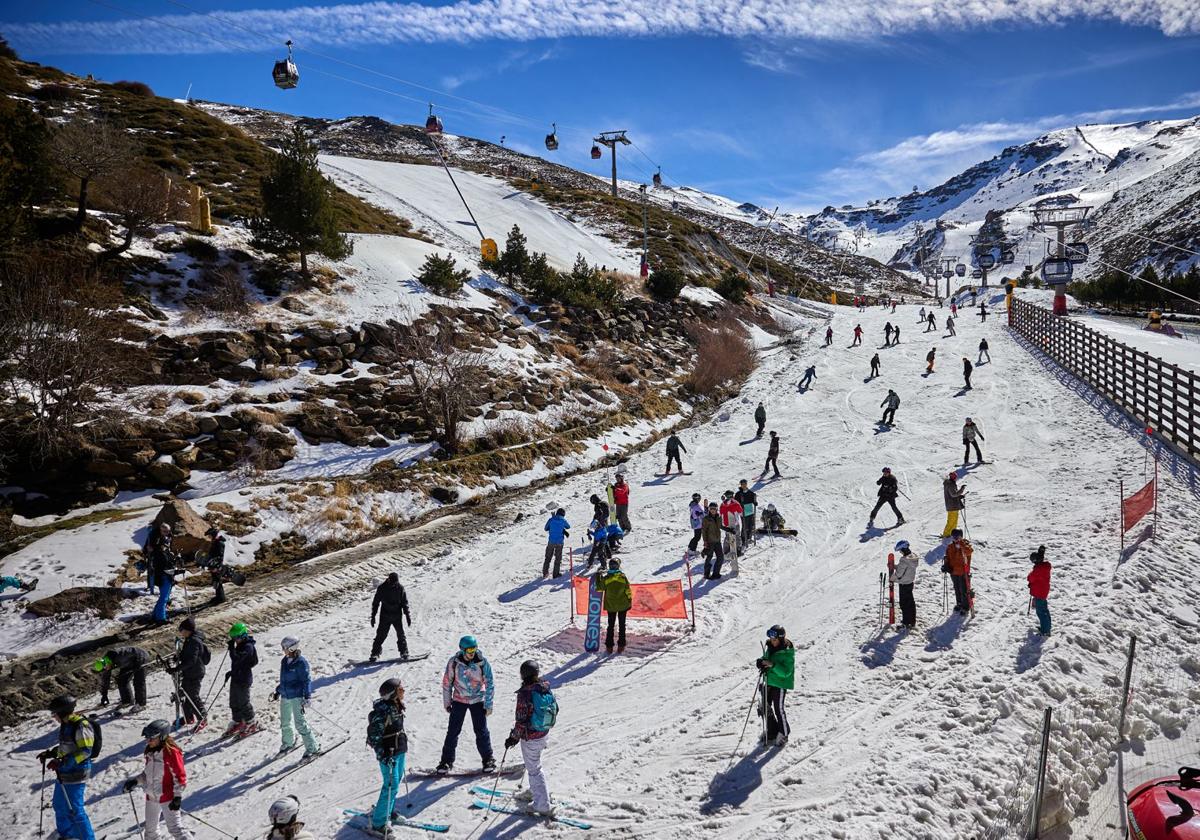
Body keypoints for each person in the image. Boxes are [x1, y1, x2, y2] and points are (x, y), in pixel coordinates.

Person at [123, 720, 193, 840]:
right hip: (151, 796)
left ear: (162, 736)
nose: (148, 741)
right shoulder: (151, 752)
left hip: (167, 797)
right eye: (147, 738)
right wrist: (135, 781)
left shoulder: (171, 752)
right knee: (150, 832)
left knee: (175, 829)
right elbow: (147, 774)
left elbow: (180, 777)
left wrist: (177, 797)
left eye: (152, 738)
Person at [39, 695, 96, 840]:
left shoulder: (81, 725)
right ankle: (68, 835)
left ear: (62, 712)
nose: (54, 717)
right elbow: (67, 747)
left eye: (54, 713)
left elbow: (85, 751)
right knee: (59, 806)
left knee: (75, 810)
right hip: (64, 772)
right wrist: (51, 753)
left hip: (77, 772)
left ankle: (87, 838)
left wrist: (64, 762)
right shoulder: (66, 724)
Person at [503, 661, 557, 817]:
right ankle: (537, 791)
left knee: (534, 769)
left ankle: (542, 805)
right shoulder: (544, 687)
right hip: (544, 732)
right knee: (534, 764)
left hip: (531, 737)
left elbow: (521, 720)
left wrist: (512, 738)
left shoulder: (525, 693)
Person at [437, 635, 495, 774]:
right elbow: (447, 683)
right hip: (459, 700)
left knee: (481, 731)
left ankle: (488, 759)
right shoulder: (454, 663)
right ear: (462, 650)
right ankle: (446, 762)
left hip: (477, 700)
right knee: (453, 731)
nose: (472, 652)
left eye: (474, 648)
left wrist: (488, 704)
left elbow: (490, 684)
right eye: (469, 650)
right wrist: (447, 702)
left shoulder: (482, 663)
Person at [367, 678, 408, 837]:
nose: (403, 690)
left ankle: (388, 812)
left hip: (399, 749)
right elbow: (374, 736)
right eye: (400, 689)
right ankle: (378, 823)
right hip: (388, 753)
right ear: (393, 694)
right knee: (390, 785)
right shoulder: (383, 712)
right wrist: (383, 755)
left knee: (396, 782)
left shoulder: (396, 706)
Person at [274, 637, 319, 759]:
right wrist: (278, 691)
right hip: (285, 695)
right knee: (285, 722)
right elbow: (284, 679)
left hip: (297, 696)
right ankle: (288, 743)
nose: (283, 650)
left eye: (284, 648)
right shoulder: (284, 661)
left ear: (291, 648)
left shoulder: (301, 662)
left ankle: (313, 748)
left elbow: (306, 680)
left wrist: (308, 696)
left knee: (300, 724)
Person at [755, 626, 794, 747]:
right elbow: (766, 658)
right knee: (764, 706)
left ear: (781, 639)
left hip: (780, 684)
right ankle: (772, 731)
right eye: (771, 638)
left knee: (779, 709)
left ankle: (784, 733)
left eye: (775, 639)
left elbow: (786, 672)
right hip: (769, 681)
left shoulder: (787, 652)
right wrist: (761, 662)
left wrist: (772, 665)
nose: (772, 641)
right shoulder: (770, 647)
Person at [226, 622, 260, 738]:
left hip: (244, 679)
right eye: (233, 638)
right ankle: (238, 721)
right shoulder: (240, 645)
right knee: (234, 701)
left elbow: (237, 659)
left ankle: (251, 722)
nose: (235, 640)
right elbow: (237, 664)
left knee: (243, 702)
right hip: (236, 677)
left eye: (236, 638)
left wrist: (231, 648)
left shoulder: (248, 647)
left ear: (243, 635)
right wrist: (231, 672)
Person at [370, 573, 412, 662]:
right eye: (393, 582)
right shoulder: (382, 588)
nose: (394, 584)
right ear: (388, 579)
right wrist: (373, 616)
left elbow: (404, 602)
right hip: (385, 615)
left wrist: (407, 615)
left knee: (401, 634)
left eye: (395, 582)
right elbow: (376, 602)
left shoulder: (400, 588)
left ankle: (404, 652)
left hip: (397, 615)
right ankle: (375, 653)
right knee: (381, 635)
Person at [174, 618, 207, 730]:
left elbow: (192, 660)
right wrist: (179, 657)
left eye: (181, 630)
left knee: (193, 696)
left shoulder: (194, 641)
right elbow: (187, 655)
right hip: (189, 672)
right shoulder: (189, 639)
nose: (181, 632)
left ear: (187, 630)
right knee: (184, 693)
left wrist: (178, 668)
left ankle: (202, 718)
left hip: (195, 672)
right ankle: (189, 717)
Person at [597, 558, 632, 653]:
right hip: (623, 605)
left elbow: (599, 589)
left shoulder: (606, 578)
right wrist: (629, 601)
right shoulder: (622, 577)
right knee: (622, 625)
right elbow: (628, 590)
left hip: (611, 606)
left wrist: (598, 576)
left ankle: (609, 646)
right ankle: (621, 645)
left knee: (611, 625)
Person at [944, 529, 973, 614]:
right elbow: (948, 557)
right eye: (954, 537)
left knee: (964, 590)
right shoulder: (950, 546)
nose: (955, 539)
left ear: (961, 536)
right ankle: (959, 603)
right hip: (954, 572)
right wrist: (946, 565)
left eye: (957, 537)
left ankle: (965, 606)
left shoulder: (965, 545)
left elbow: (969, 552)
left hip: (963, 572)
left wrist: (962, 545)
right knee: (957, 589)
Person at [892, 541, 918, 628]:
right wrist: (895, 566)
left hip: (903, 584)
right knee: (910, 602)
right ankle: (912, 621)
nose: (900, 552)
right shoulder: (913, 556)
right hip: (910, 583)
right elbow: (906, 568)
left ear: (903, 549)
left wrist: (891, 579)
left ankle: (906, 623)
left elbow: (899, 573)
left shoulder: (903, 560)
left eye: (900, 551)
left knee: (904, 604)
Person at [1027, 546, 1051, 636]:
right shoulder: (1044, 567)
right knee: (1044, 610)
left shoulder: (1038, 569)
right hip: (1043, 591)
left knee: (1041, 612)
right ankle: (1046, 627)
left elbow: (1030, 577)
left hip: (1039, 593)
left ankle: (1045, 631)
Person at [142, 522, 172, 594]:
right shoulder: (153, 535)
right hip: (151, 552)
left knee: (164, 562)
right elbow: (151, 546)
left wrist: (166, 544)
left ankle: (162, 581)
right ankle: (150, 585)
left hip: (160, 550)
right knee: (152, 568)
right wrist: (161, 546)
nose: (167, 533)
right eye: (165, 532)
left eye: (168, 531)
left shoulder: (167, 533)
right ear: (161, 530)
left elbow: (169, 538)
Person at [203, 527, 228, 605]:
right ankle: (218, 596)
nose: (209, 537)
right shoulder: (215, 542)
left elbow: (219, 556)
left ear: (213, 535)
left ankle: (221, 598)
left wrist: (216, 566)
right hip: (213, 564)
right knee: (215, 580)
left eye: (210, 535)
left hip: (216, 565)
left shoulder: (219, 543)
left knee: (217, 581)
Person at [542, 509, 570, 578]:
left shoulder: (551, 519)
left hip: (551, 541)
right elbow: (568, 526)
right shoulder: (563, 520)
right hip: (560, 542)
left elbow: (546, 528)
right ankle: (555, 574)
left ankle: (545, 573)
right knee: (558, 558)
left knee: (548, 557)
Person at [700, 502, 725, 580]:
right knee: (709, 558)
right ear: (709, 509)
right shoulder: (706, 519)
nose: (713, 510)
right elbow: (704, 531)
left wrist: (729, 529)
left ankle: (716, 573)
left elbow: (720, 526)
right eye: (711, 509)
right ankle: (706, 574)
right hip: (710, 541)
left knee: (720, 557)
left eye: (714, 509)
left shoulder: (719, 517)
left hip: (717, 541)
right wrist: (705, 542)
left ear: (717, 509)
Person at [719, 491, 744, 559]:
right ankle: (738, 550)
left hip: (726, 524)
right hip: (735, 523)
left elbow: (720, 514)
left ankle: (726, 551)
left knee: (727, 536)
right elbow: (741, 512)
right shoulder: (735, 503)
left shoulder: (722, 504)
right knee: (737, 536)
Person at [942, 472, 966, 538]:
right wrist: (962, 489)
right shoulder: (950, 484)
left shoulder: (950, 484)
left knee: (954, 521)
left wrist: (960, 496)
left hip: (953, 506)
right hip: (952, 506)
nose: (956, 478)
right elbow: (953, 494)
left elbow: (953, 494)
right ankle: (946, 534)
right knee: (951, 521)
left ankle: (951, 534)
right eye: (955, 477)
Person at [735, 479, 758, 546]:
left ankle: (749, 538)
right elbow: (736, 502)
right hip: (743, 512)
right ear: (741, 485)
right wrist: (740, 505)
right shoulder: (738, 494)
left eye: (745, 484)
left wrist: (755, 502)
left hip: (750, 511)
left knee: (751, 525)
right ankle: (743, 539)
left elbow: (753, 499)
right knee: (745, 526)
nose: (744, 485)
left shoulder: (750, 492)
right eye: (742, 484)